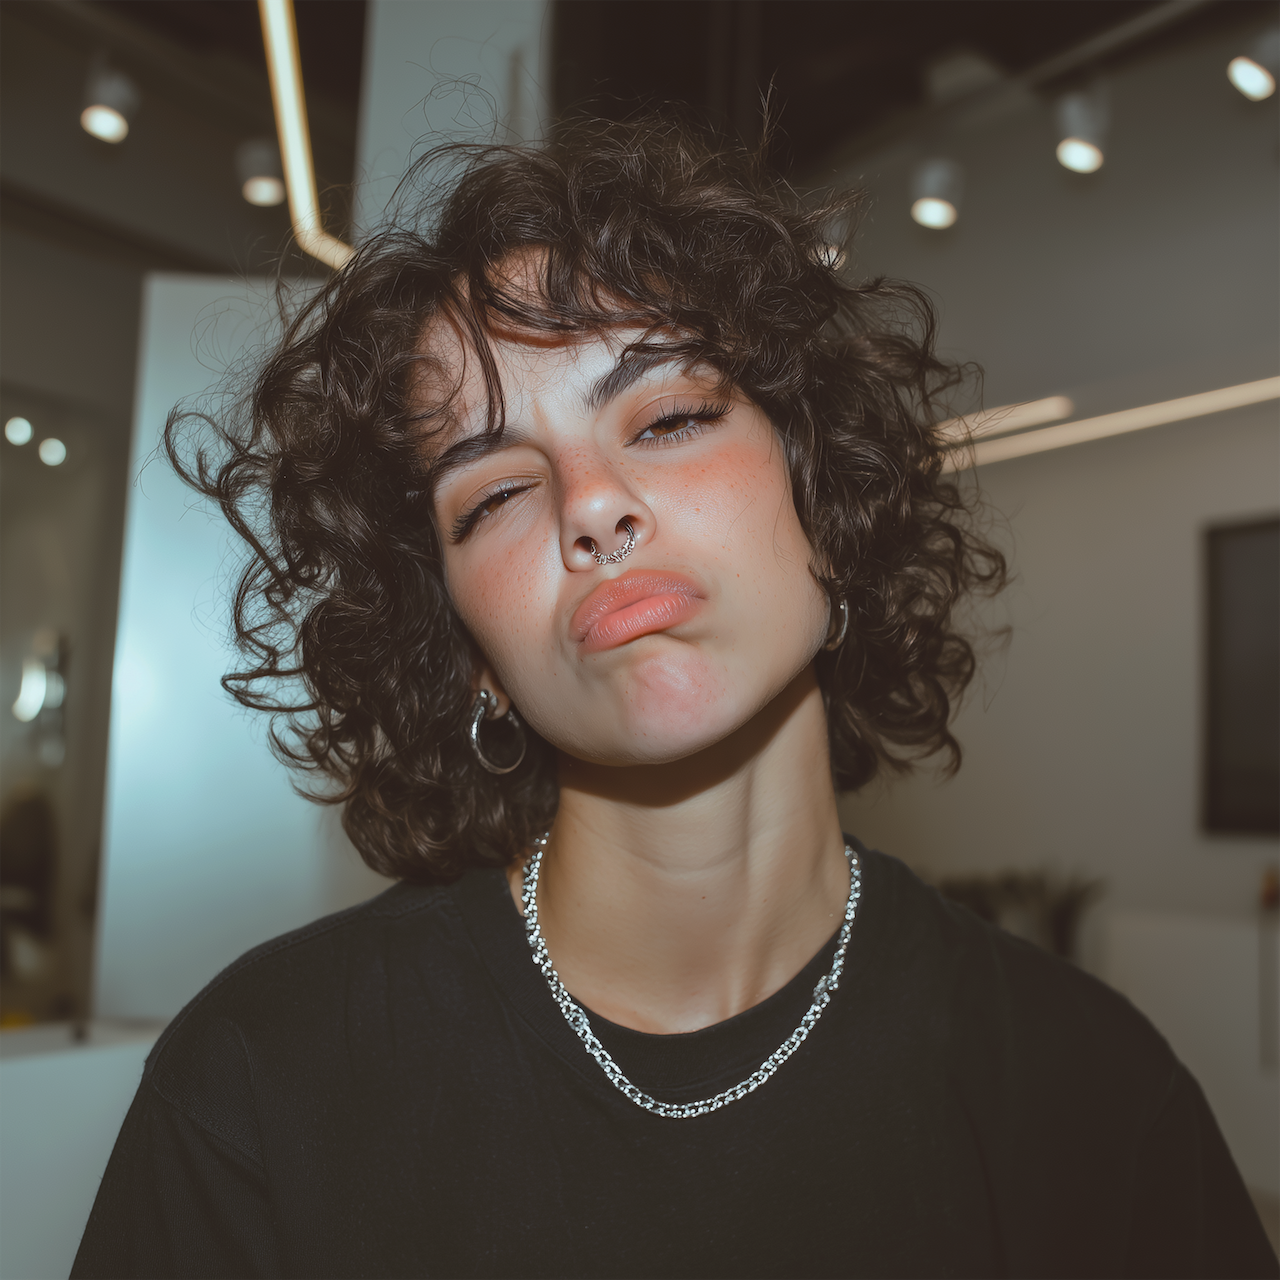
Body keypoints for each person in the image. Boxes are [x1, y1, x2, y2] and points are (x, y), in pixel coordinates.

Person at [72, 119, 1276, 1278]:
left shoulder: (1093, 1097)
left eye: (671, 414)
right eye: (490, 495)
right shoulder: (259, 1085)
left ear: (827, 496)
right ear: (467, 647)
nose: (590, 503)